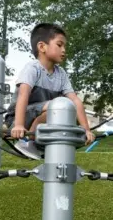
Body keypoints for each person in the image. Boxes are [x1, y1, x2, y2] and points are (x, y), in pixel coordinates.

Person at [5, 23, 95, 155]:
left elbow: (75, 101)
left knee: (67, 109)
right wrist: (18, 125)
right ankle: (27, 143)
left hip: (46, 114)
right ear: (42, 47)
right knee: (57, 105)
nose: (64, 50)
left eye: (65, 46)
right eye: (59, 45)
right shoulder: (32, 68)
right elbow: (23, 96)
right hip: (20, 118)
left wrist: (85, 129)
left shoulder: (61, 73)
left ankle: (45, 147)